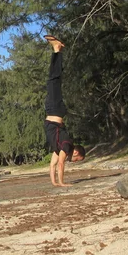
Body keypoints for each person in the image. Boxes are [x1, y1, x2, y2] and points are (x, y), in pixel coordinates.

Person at [43, 35, 86, 186]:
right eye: (76, 159)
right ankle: (57, 49)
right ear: (75, 152)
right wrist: (62, 183)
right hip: (55, 109)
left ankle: (57, 50)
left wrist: (55, 183)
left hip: (53, 111)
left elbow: (53, 165)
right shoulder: (66, 145)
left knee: (53, 80)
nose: (73, 162)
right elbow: (61, 164)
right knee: (54, 80)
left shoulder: (59, 147)